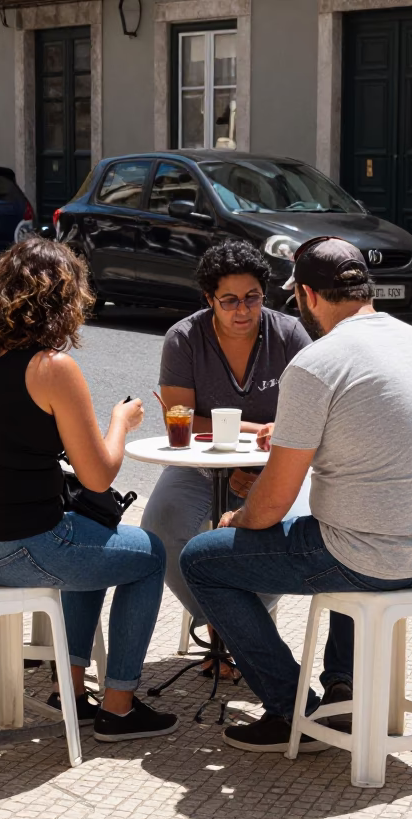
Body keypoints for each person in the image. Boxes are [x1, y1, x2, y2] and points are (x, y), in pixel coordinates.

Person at [180, 236, 412, 753]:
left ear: (308, 295)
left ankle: (292, 710)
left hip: (368, 556)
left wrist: (236, 520)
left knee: (202, 559)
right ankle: (344, 681)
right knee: (338, 526)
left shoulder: (319, 362)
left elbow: (271, 502)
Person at [0, 237, 178, 742]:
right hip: (11, 545)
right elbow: (99, 475)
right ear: (64, 301)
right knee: (150, 553)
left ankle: (70, 690)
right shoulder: (51, 368)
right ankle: (120, 706)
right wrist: (120, 421)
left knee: (86, 537)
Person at [140, 241, 311, 675]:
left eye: (252, 297)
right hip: (201, 464)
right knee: (159, 530)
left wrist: (268, 469)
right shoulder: (184, 338)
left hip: (279, 468)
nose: (242, 310)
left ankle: (240, 631)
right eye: (229, 300)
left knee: (295, 538)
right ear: (208, 300)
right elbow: (181, 420)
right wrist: (253, 438)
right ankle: (228, 625)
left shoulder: (290, 335)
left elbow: (311, 419)